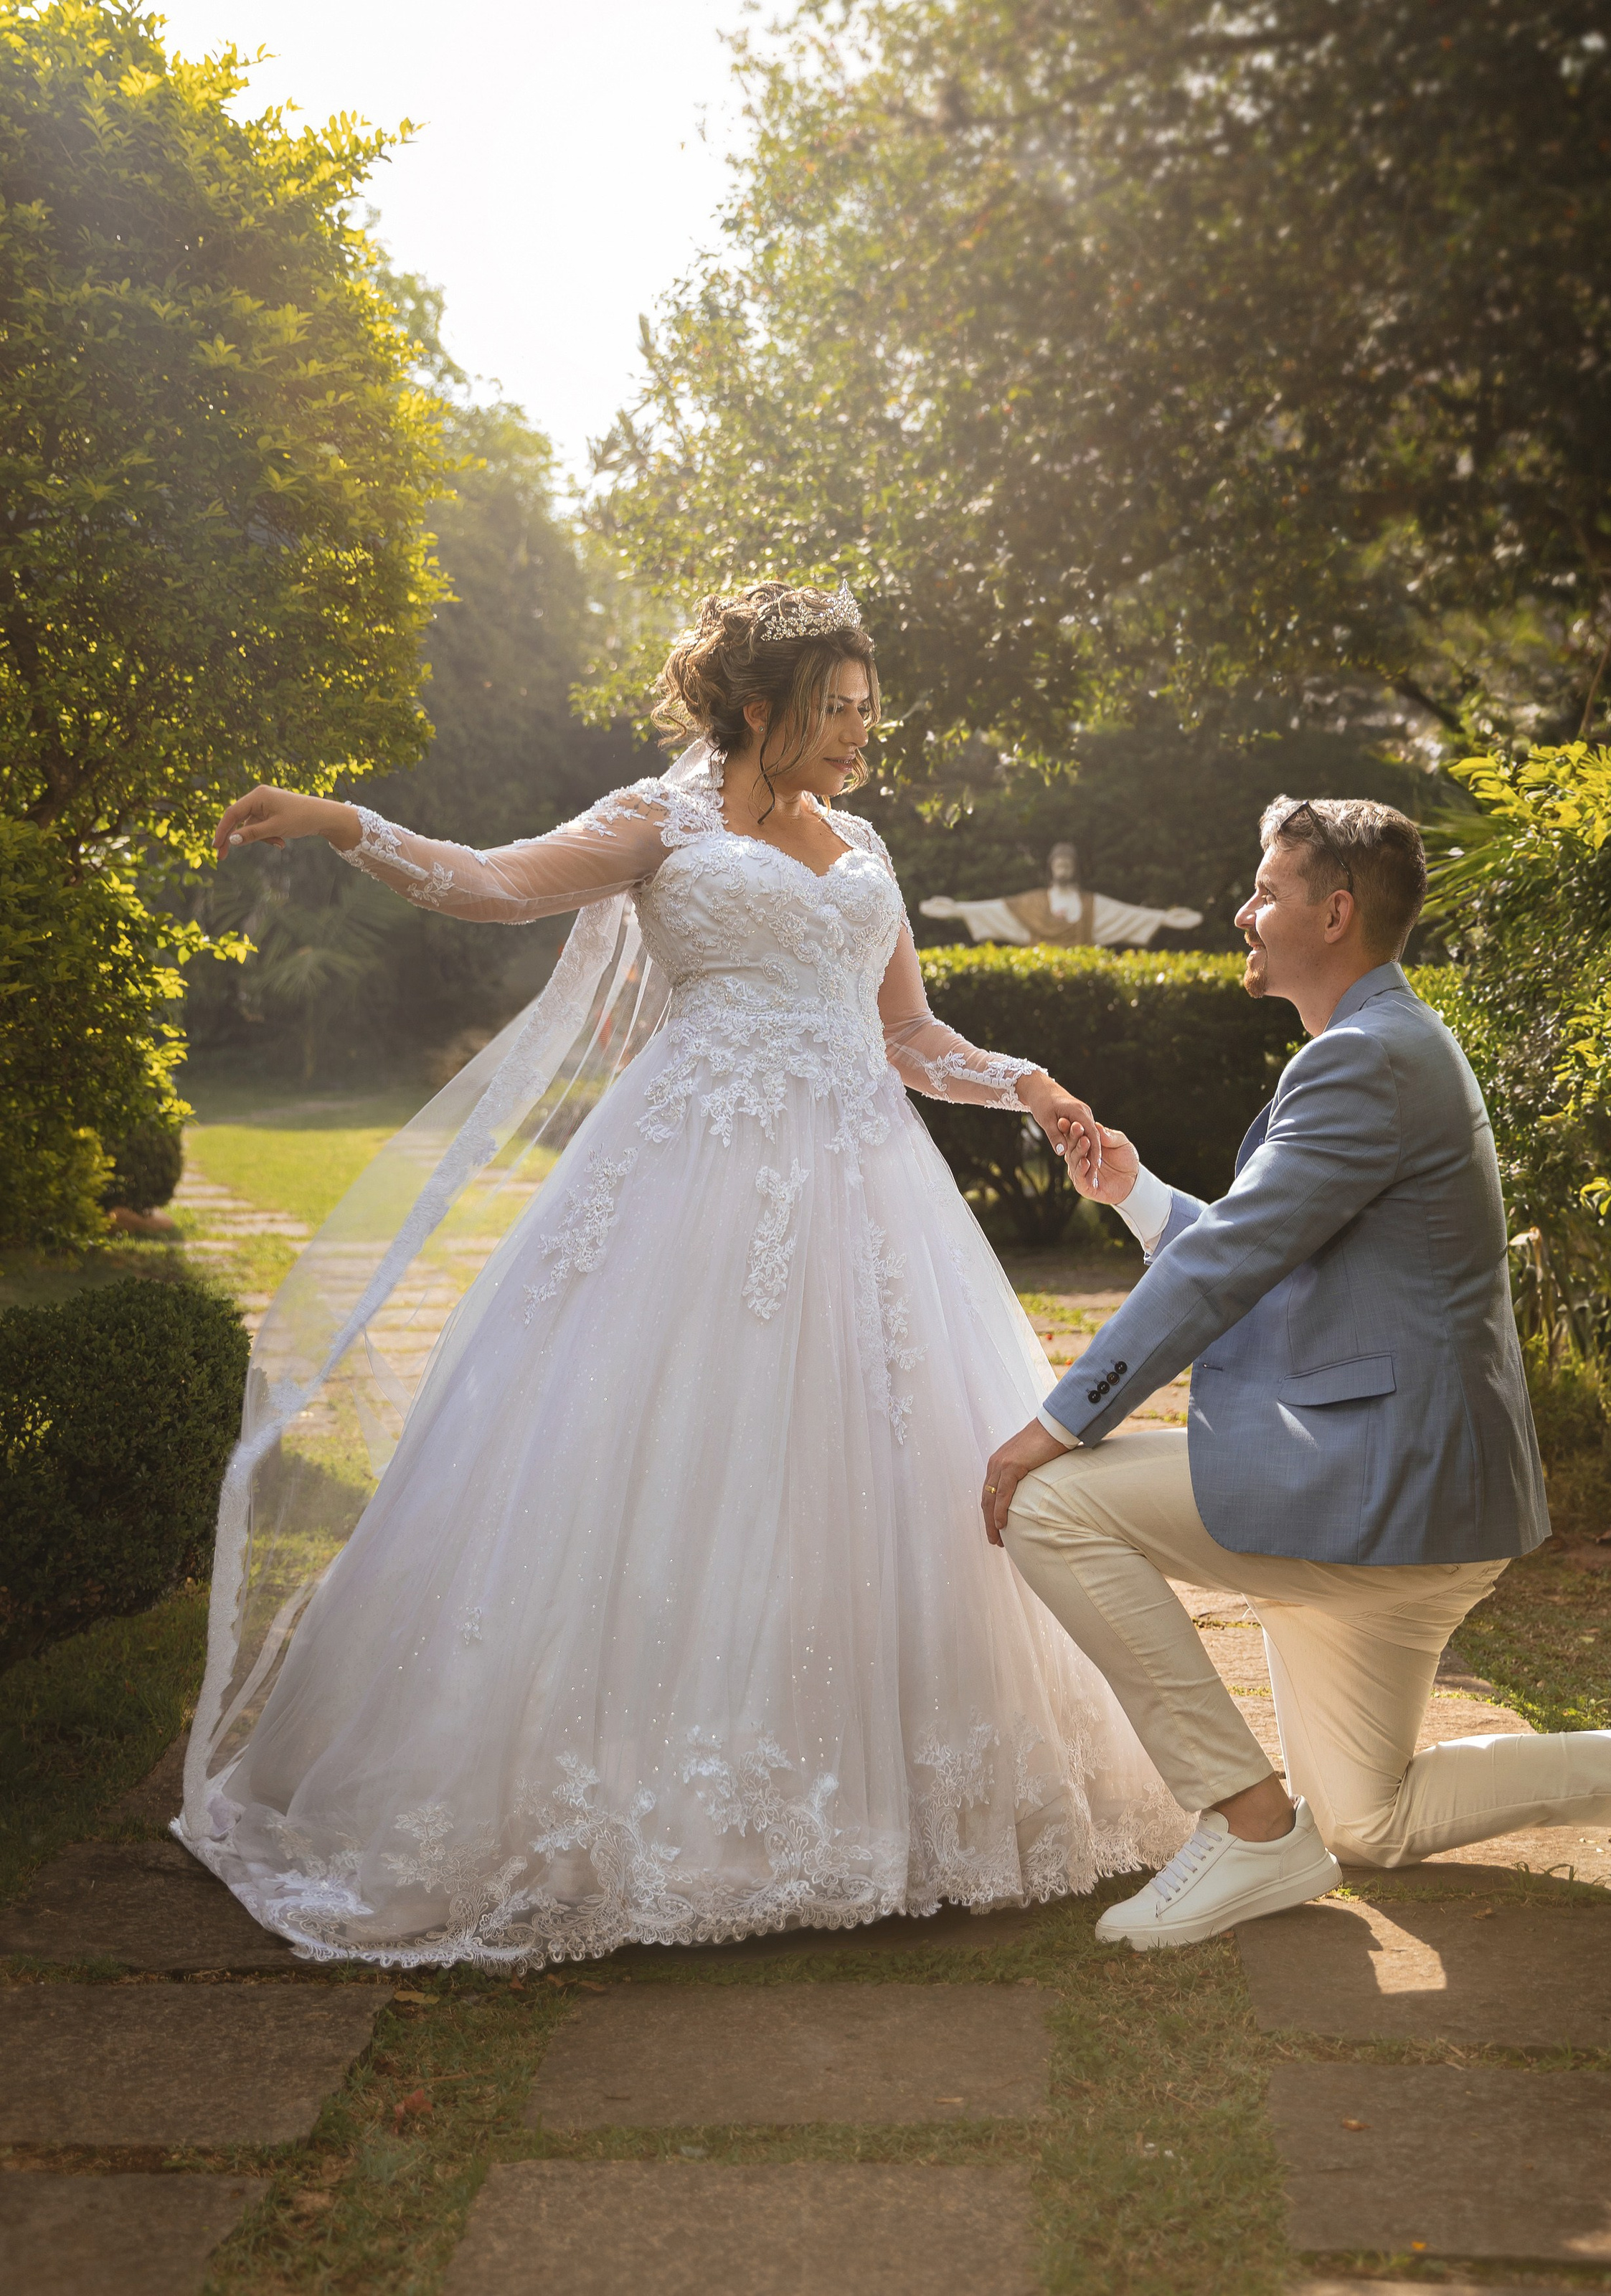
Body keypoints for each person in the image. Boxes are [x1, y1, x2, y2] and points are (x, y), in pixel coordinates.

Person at [182, 582, 1185, 1968]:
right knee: (668, 1457)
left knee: (880, 1465)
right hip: (690, 1179)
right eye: (837, 712)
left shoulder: (865, 840)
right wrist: (347, 823)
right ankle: (652, 1806)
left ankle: (907, 1795)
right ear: (760, 708)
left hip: (866, 1189)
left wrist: (1027, 1082)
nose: (858, 739)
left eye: (868, 714)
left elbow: (907, 1033)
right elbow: (495, 882)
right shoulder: (665, 819)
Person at [980, 795, 1611, 1950]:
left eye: (1266, 890)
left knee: (1054, 1505)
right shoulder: (1380, 1047)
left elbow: (1229, 1266)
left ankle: (1250, 1825)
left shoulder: (1367, 1059)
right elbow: (1263, 1246)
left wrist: (1057, 1424)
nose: (1242, 911)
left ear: (1337, 910)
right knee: (1369, 1817)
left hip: (1380, 1488)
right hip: (1413, 1492)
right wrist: (1133, 1192)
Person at [920, 841, 1202, 948]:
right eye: (1059, 863)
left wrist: (1164, 918)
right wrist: (957, 909)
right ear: (1051, 868)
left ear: (1075, 869)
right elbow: (998, 910)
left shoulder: (1090, 906)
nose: (1063, 867)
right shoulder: (1034, 903)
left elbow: (1125, 914)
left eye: (1068, 864)